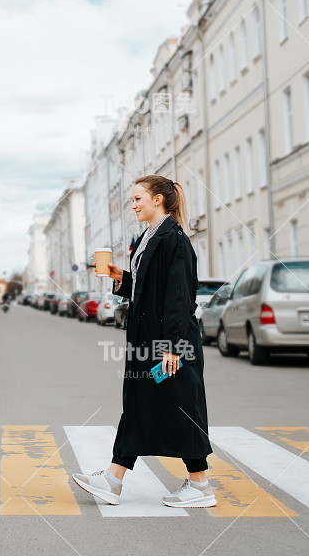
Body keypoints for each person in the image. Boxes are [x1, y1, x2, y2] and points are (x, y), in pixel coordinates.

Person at [72, 175, 216, 509]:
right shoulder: (149, 237)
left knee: (181, 409)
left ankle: (199, 485)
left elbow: (179, 296)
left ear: (158, 200)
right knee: (142, 405)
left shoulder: (174, 239)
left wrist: (172, 347)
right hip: (148, 342)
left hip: (169, 345)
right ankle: (114, 479)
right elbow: (148, 284)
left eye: (138, 199)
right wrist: (119, 277)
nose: (133, 205)